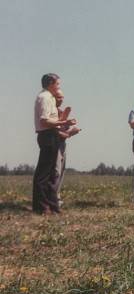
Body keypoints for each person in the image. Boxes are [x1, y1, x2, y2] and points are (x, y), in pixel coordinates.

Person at [32, 73, 76, 214]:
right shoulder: (44, 97)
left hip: (51, 135)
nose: (58, 87)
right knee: (44, 173)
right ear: (50, 83)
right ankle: (41, 207)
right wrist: (64, 122)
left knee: (51, 173)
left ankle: (51, 206)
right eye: (57, 84)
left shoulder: (49, 97)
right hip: (47, 135)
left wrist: (63, 120)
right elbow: (44, 120)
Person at [54, 89, 81, 208]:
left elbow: (62, 129)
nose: (62, 100)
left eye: (62, 98)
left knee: (61, 172)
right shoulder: (52, 113)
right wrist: (70, 133)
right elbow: (56, 131)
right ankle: (52, 199)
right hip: (55, 144)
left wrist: (69, 125)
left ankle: (56, 197)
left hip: (62, 144)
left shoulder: (60, 111)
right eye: (59, 97)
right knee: (56, 171)